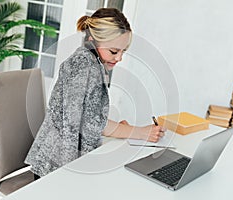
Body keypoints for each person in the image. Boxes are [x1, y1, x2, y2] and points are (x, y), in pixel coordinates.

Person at [25, 8, 165, 179]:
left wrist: (125, 129)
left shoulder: (92, 63)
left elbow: (91, 116)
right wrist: (140, 132)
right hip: (53, 169)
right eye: (114, 51)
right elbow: (91, 124)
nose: (119, 58)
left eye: (123, 51)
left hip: (67, 163)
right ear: (93, 40)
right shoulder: (82, 66)